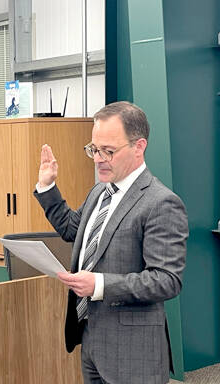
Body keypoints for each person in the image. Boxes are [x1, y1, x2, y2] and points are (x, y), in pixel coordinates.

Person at [34, 101, 188, 384]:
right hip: (92, 342)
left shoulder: (161, 203)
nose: (98, 159)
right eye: (94, 149)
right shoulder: (99, 193)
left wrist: (100, 285)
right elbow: (72, 229)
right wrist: (47, 187)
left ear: (139, 146)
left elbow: (167, 280)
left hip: (133, 352)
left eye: (109, 151)